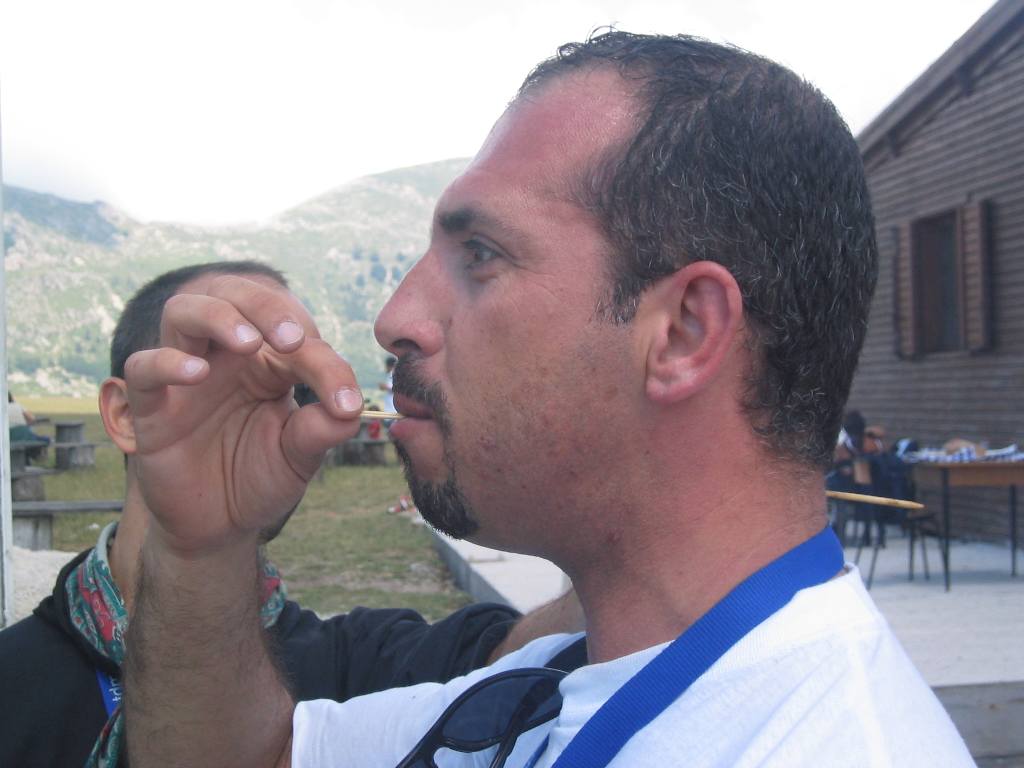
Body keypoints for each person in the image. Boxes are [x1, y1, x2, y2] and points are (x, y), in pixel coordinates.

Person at [122, 32, 972, 767]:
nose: (395, 321)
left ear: (683, 332)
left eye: (481, 255)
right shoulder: (555, 684)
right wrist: (203, 549)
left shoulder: (831, 744)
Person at [0, 261, 581, 768]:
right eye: (224, 376)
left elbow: (538, 656)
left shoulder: (358, 668)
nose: (268, 410)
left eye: (297, 384)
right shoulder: (15, 682)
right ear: (126, 414)